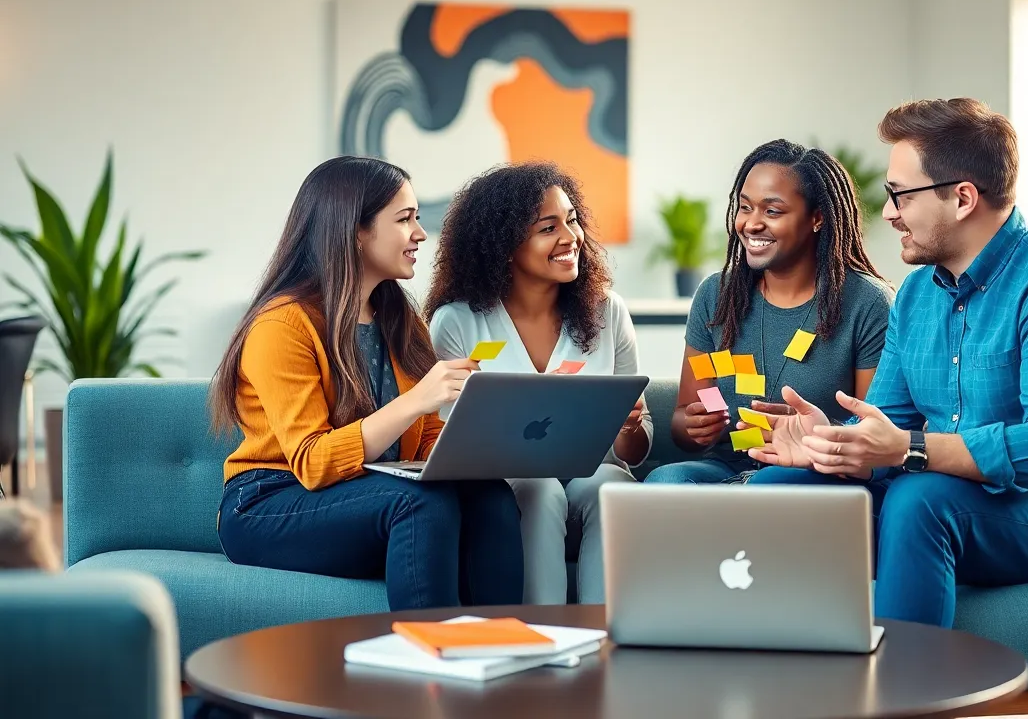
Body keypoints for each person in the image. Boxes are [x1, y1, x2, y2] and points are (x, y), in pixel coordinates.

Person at [744, 98, 1028, 627]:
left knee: (919, 498)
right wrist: (835, 443)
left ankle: (907, 678)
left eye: (901, 195)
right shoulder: (915, 295)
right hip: (949, 496)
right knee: (779, 491)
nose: (888, 213)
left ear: (963, 198)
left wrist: (910, 450)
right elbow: (888, 425)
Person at [208, 155, 524, 612]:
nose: (421, 234)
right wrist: (416, 400)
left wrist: (493, 436)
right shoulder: (282, 325)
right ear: (356, 231)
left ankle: (501, 644)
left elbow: (424, 443)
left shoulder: (400, 319)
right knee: (419, 503)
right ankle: (430, 652)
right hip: (269, 502)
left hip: (372, 494)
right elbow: (313, 462)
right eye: (405, 219)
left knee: (490, 496)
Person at [425, 162, 651, 605]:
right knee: (539, 487)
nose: (571, 237)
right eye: (549, 228)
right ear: (505, 245)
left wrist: (629, 426)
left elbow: (635, 451)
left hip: (592, 474)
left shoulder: (607, 312)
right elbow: (446, 437)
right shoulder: (457, 322)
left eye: (572, 220)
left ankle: (604, 631)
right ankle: (540, 629)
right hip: (507, 484)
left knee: (611, 486)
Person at [643, 139, 892, 485]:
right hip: (727, 465)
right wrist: (694, 424)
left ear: (817, 218)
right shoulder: (717, 295)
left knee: (769, 483)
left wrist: (813, 434)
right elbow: (685, 417)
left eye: (772, 211)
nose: (751, 224)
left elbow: (875, 432)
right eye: (745, 207)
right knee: (665, 481)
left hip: (814, 471)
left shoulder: (866, 302)